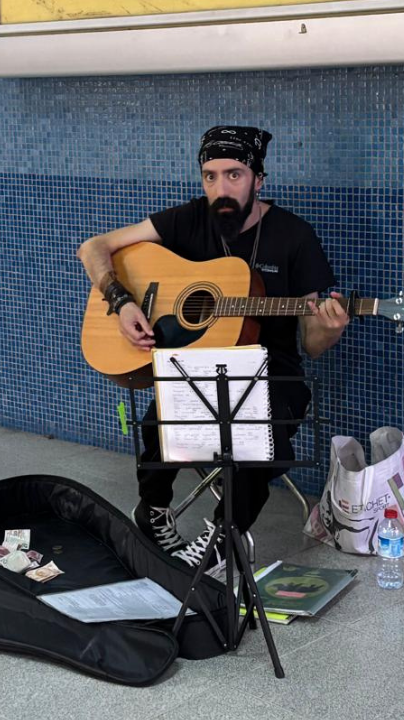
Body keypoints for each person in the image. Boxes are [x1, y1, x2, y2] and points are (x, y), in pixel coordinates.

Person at [78, 126, 350, 572]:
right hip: (194, 364)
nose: (220, 189)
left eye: (234, 175)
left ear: (258, 179)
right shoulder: (188, 219)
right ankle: (152, 511)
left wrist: (331, 329)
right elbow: (94, 248)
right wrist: (122, 301)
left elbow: (312, 346)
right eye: (209, 176)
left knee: (261, 433)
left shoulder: (294, 236)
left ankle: (225, 537)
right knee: (160, 416)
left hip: (270, 370)